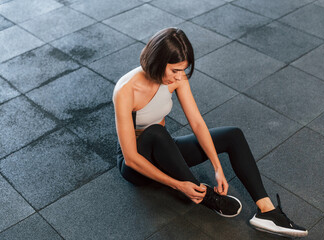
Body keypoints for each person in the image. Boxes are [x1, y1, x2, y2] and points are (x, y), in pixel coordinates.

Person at [113, 27, 308, 238]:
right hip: (136, 165)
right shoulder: (126, 90)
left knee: (233, 135)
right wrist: (179, 185)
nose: (179, 76)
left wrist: (217, 167)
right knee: (154, 132)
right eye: (175, 70)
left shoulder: (176, 79)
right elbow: (131, 159)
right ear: (158, 61)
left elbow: (196, 122)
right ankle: (204, 195)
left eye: (183, 70)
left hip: (164, 150)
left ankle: (267, 211)